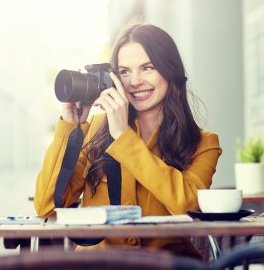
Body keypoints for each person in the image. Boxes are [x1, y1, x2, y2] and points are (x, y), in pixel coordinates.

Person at [34, 23, 222, 258]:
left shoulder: (203, 143)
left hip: (168, 265)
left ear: (170, 71)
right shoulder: (95, 131)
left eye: (147, 68)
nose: (134, 81)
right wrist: (70, 127)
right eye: (124, 71)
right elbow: (46, 206)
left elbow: (190, 208)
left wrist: (124, 137)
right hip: (100, 264)